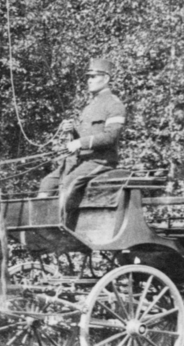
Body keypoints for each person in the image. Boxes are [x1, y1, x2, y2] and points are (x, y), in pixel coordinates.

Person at [38, 57, 127, 230]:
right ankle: (41, 226)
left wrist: (80, 142)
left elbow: (111, 137)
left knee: (69, 183)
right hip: (79, 160)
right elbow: (84, 134)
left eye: (94, 77)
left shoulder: (115, 105)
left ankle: (62, 229)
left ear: (106, 78)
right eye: (88, 77)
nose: (89, 81)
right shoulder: (89, 106)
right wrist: (72, 130)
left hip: (100, 161)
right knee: (47, 182)